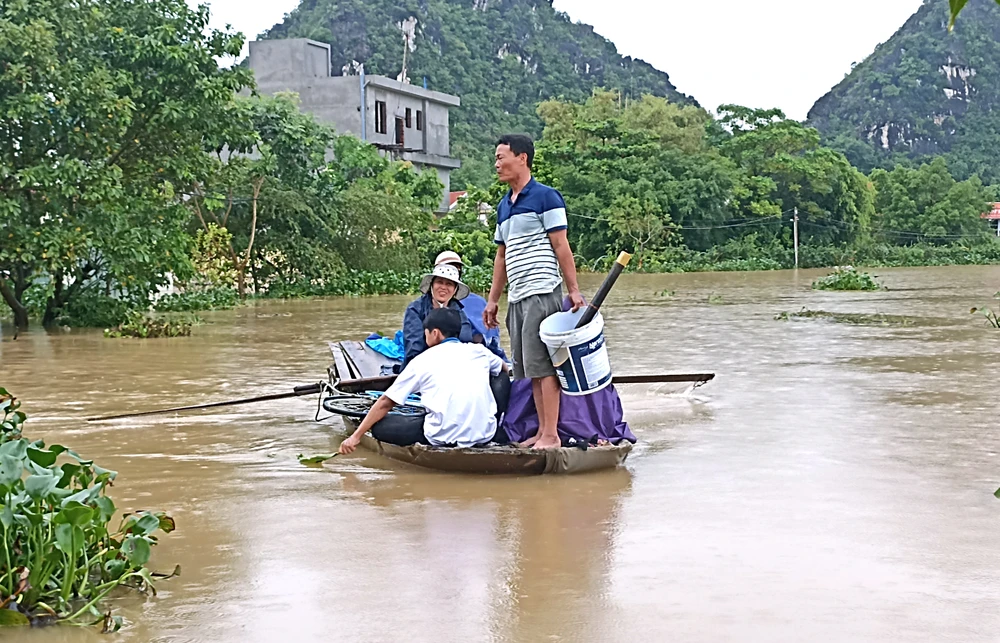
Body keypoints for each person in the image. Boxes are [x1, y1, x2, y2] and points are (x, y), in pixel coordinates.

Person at [484, 133, 584, 450]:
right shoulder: (503, 206)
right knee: (530, 370)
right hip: (517, 296)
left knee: (545, 366)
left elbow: (561, 245)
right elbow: (501, 257)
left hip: (542, 291)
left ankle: (551, 435)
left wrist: (574, 290)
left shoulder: (546, 197)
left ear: (522, 158)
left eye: (501, 157)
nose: (496, 164)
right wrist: (492, 300)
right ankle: (542, 432)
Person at [339, 308, 508, 454]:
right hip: (485, 433)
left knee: (380, 427)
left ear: (435, 333)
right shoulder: (479, 351)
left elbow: (385, 402)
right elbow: (504, 369)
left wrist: (355, 436)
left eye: (425, 332)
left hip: (441, 436)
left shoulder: (422, 360)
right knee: (500, 375)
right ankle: (497, 422)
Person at [433, 250, 507, 363]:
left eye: (454, 268)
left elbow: (489, 337)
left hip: (477, 355)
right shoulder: (421, 307)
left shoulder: (478, 302)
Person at [401, 263, 476, 370]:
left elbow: (465, 340)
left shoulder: (458, 311)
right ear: (431, 285)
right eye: (439, 282)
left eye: (449, 284)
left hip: (453, 364)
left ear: (455, 289)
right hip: (420, 366)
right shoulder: (415, 309)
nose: (443, 287)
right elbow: (414, 347)